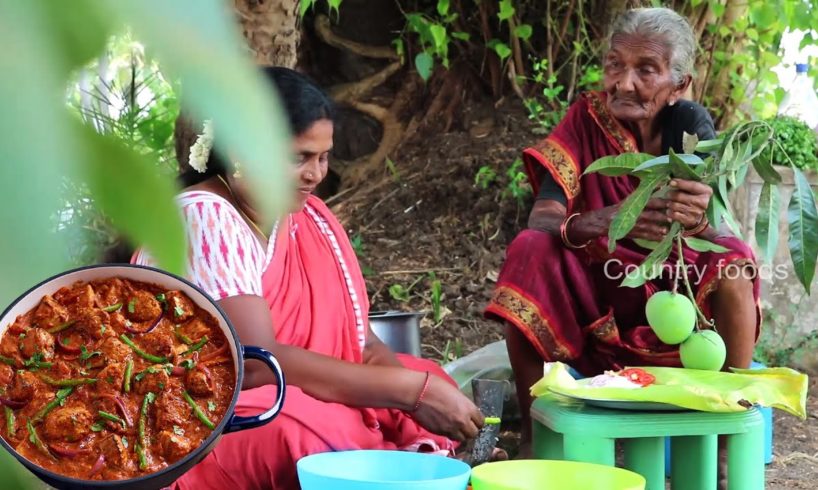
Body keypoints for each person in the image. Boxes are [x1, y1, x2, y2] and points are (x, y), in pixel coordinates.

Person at [133, 66, 485, 489]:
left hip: (294, 386)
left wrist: (413, 396)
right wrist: (409, 392)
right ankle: (404, 467)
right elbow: (255, 364)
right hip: (198, 410)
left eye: (323, 157)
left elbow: (362, 345)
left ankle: (435, 460)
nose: (315, 174)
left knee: (424, 371)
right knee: (306, 430)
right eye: (298, 157)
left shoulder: (308, 217)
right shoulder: (205, 216)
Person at [484, 7, 761, 457]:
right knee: (529, 248)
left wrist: (698, 218)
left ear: (680, 84)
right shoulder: (585, 120)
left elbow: (713, 227)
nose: (624, 83)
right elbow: (543, 217)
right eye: (615, 65)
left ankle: (728, 444)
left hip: (675, 306)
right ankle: (534, 437)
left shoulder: (691, 128)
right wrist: (602, 220)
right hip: (597, 298)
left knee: (733, 259)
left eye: (646, 70)